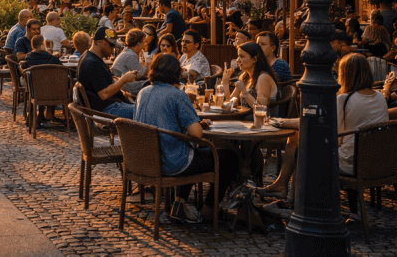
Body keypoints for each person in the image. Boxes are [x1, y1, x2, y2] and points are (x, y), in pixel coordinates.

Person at [259, 53, 387, 203]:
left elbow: (336, 140)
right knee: (297, 136)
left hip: (350, 163)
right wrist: (283, 122)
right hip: (378, 162)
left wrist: (286, 124)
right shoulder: (380, 97)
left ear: (345, 75)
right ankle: (283, 188)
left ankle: (292, 199)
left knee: (302, 148)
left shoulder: (344, 99)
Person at [133, 53, 238, 223]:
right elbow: (197, 134)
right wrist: (194, 124)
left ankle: (179, 204)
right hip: (171, 162)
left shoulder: (142, 93)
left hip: (145, 161)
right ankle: (209, 209)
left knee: (193, 150)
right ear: (176, 72)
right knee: (229, 158)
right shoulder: (177, 95)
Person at [76, 27, 136, 118]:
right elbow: (104, 94)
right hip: (106, 110)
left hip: (108, 107)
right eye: (111, 45)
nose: (113, 50)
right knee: (146, 112)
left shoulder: (89, 57)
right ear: (101, 42)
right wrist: (123, 80)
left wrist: (122, 92)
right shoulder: (92, 63)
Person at [223, 41, 278, 109]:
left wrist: (245, 93)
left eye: (242, 56)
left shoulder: (263, 78)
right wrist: (225, 84)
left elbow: (261, 109)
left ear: (254, 59)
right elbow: (230, 105)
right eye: (238, 56)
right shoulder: (244, 77)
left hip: (260, 116)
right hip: (245, 115)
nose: (237, 60)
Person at [111, 29, 147, 96]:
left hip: (120, 83)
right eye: (144, 42)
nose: (145, 45)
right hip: (123, 86)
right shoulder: (131, 55)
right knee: (150, 84)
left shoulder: (127, 51)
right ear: (138, 44)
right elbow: (140, 75)